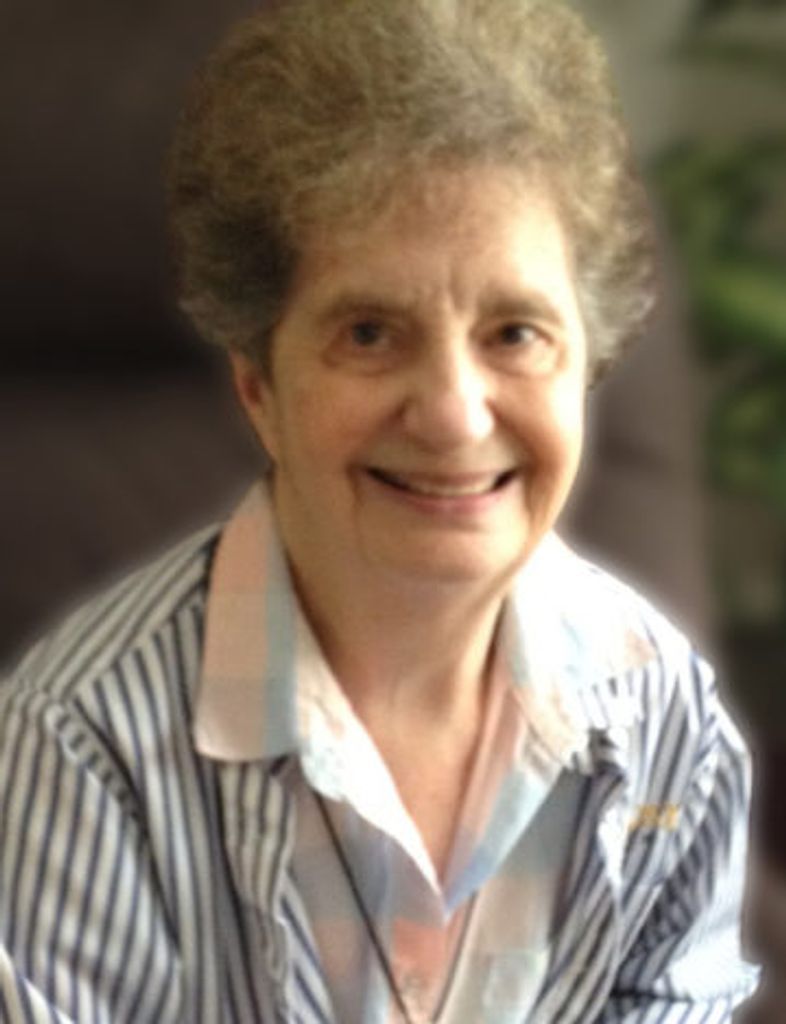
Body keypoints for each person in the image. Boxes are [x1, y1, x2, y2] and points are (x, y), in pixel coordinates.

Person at [0, 0, 760, 1021]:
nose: (453, 414)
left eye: (515, 332)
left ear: (588, 364)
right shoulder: (82, 745)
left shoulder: (672, 720)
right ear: (258, 386)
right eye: (368, 332)